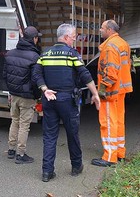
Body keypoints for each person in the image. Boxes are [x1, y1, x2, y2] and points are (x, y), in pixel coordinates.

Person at [33, 23, 101, 182]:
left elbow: (36, 74)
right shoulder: (71, 54)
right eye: (73, 37)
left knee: (49, 136)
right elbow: (84, 74)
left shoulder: (45, 54)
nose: (74, 40)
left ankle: (47, 172)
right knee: (72, 134)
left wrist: (44, 89)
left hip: (49, 99)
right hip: (67, 100)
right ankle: (76, 166)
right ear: (65, 37)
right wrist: (95, 93)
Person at [92, 20, 133, 167]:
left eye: (102, 28)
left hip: (111, 92)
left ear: (109, 30)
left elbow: (110, 73)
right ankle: (119, 152)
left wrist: (101, 91)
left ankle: (109, 157)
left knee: (108, 123)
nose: (100, 30)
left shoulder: (109, 47)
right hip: (121, 91)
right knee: (118, 122)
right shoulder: (123, 43)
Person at [2, 26, 42, 164]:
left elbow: (5, 75)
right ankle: (20, 154)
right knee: (24, 125)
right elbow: (36, 79)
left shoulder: (10, 54)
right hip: (27, 96)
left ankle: (11, 149)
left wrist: (11, 90)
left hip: (14, 94)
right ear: (34, 39)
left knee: (14, 121)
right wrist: (37, 96)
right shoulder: (35, 57)